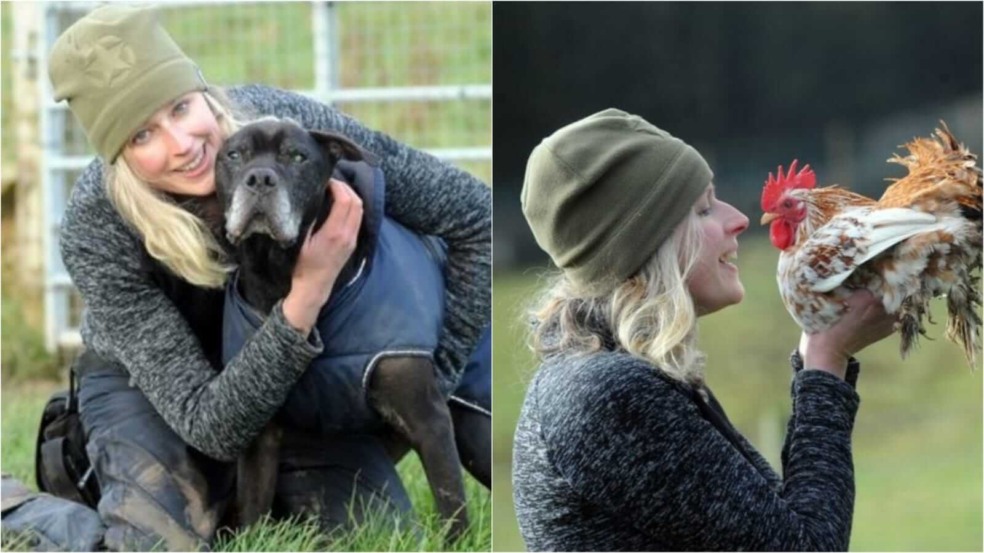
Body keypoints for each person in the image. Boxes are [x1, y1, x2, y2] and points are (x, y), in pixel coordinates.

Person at [35, 4, 489, 551]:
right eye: (142, 136)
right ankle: (20, 506)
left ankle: (246, 495)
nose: (181, 143)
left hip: (293, 377)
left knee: (376, 531)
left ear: (204, 92)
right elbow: (210, 422)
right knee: (162, 543)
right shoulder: (97, 224)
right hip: (156, 388)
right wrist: (308, 293)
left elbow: (476, 216)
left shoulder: (285, 129)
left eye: (181, 107)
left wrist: (437, 376)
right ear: (118, 157)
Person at [511, 108, 896, 551]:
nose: (739, 219)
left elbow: (777, 525)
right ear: (645, 241)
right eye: (703, 208)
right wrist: (826, 362)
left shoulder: (610, 377)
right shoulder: (609, 396)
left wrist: (818, 354)